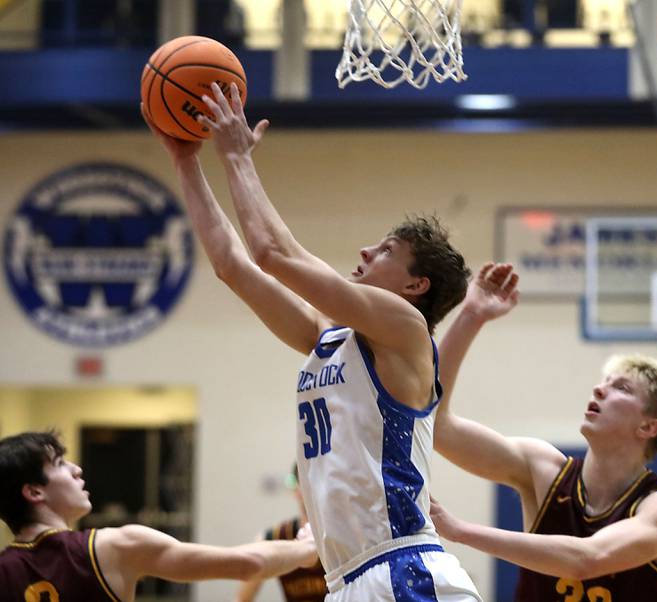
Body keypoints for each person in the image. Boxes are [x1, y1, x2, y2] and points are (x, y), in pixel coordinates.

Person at [142, 82, 480, 601]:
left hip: (402, 569)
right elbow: (233, 266)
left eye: (387, 250)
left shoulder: (406, 329)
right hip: (348, 579)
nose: (366, 250)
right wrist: (186, 160)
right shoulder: (331, 337)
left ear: (416, 286)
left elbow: (275, 254)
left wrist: (236, 157)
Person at [427, 262, 657, 601]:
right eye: (602, 384)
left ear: (648, 426)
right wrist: (471, 315)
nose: (599, 391)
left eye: (622, 389)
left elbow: (588, 559)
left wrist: (461, 531)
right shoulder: (540, 468)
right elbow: (436, 425)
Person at [0, 431, 317, 602]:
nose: (76, 469)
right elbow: (248, 564)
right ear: (34, 492)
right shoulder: (114, 547)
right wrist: (308, 548)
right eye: (59, 464)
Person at [236, 464, 327, 602]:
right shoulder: (274, 538)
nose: (315, 490)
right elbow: (241, 599)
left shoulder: (348, 537)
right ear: (297, 489)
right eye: (309, 482)